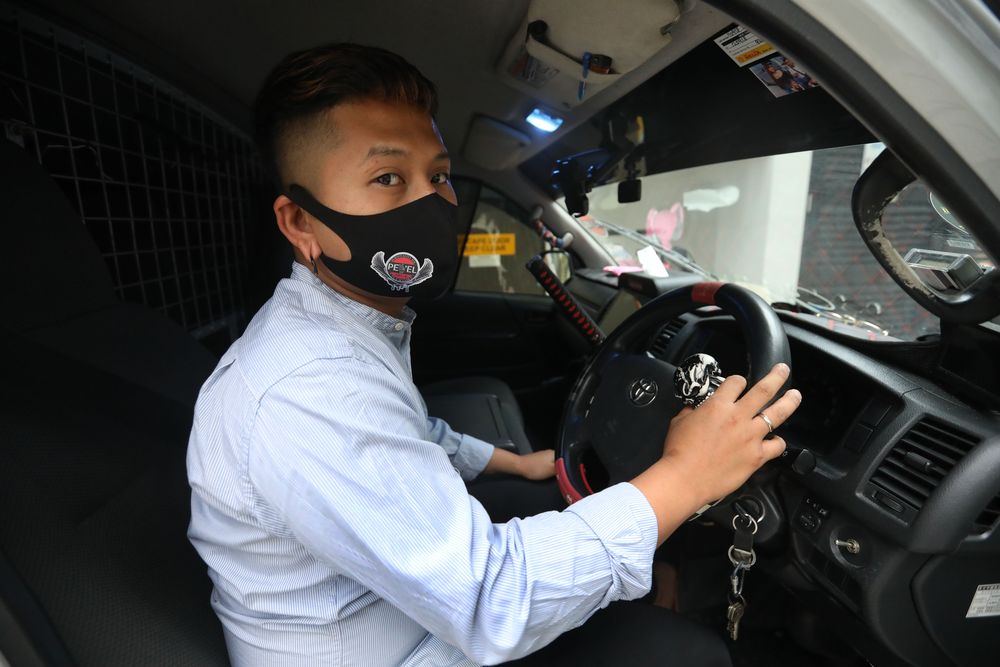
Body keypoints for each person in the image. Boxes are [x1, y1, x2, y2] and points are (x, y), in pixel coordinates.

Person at [186, 43, 802, 667]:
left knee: (557, 502)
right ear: (300, 224)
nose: (431, 203)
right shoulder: (309, 384)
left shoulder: (344, 329)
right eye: (387, 179)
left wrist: (513, 463)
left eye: (438, 176)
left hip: (389, 610)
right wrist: (684, 477)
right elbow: (491, 603)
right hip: (384, 649)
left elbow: (405, 434)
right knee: (687, 657)